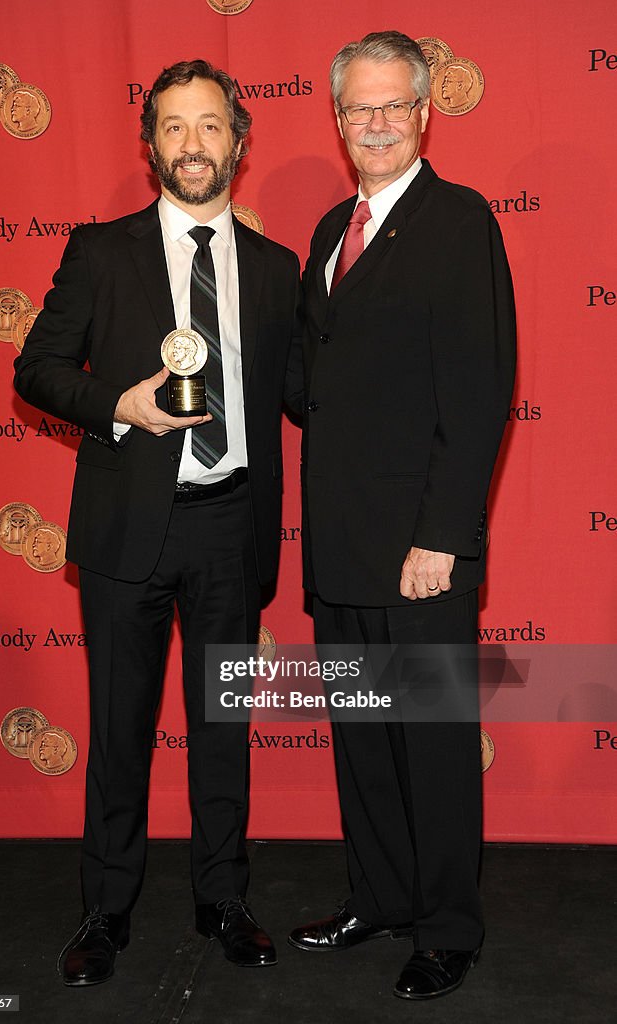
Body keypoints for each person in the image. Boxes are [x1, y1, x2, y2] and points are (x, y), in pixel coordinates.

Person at [14, 58, 302, 986]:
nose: (192, 144)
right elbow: (37, 368)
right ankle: (106, 909)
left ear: (238, 142)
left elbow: (303, 390)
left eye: (210, 125)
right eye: (174, 127)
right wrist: (118, 406)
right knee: (120, 728)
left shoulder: (275, 268)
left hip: (231, 525)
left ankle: (225, 899)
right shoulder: (101, 251)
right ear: (150, 147)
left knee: (224, 724)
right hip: (129, 528)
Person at [289, 31, 515, 1000]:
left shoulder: (458, 221)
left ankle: (445, 924)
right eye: (356, 109)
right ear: (337, 121)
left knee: (427, 743)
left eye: (392, 106)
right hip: (337, 542)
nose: (374, 123)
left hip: (418, 550)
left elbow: (477, 392)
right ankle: (377, 896)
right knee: (362, 738)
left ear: (423, 113)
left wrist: (444, 535)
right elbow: (308, 384)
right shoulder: (326, 230)